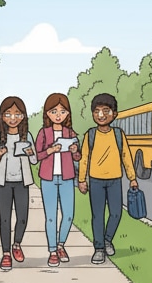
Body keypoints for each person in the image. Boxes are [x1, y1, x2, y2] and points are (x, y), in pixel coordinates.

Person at [77, 92, 138, 263]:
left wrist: (132, 177)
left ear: (114, 114)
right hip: (95, 180)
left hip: (115, 180)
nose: (101, 115)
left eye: (105, 111)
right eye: (97, 111)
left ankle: (107, 239)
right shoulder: (90, 135)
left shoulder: (118, 134)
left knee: (116, 213)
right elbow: (84, 159)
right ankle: (98, 249)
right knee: (97, 215)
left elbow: (126, 156)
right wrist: (81, 180)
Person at [34, 93, 80, 268]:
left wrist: (75, 149)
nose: (58, 115)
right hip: (48, 178)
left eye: (62, 111)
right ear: (47, 113)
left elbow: (78, 157)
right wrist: (50, 150)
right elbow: (37, 156)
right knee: (51, 216)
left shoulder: (71, 133)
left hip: (67, 177)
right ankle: (53, 250)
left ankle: (61, 244)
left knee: (68, 214)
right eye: (54, 111)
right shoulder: (43, 133)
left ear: (68, 113)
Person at [0, 96, 38, 271]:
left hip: (22, 182)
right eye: (8, 114)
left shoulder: (27, 136)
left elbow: (34, 161)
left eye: (17, 114)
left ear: (23, 116)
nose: (12, 118)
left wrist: (30, 151)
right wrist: (0, 155)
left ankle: (16, 244)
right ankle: (5, 253)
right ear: (2, 116)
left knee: (22, 217)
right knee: (4, 219)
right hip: (3, 183)